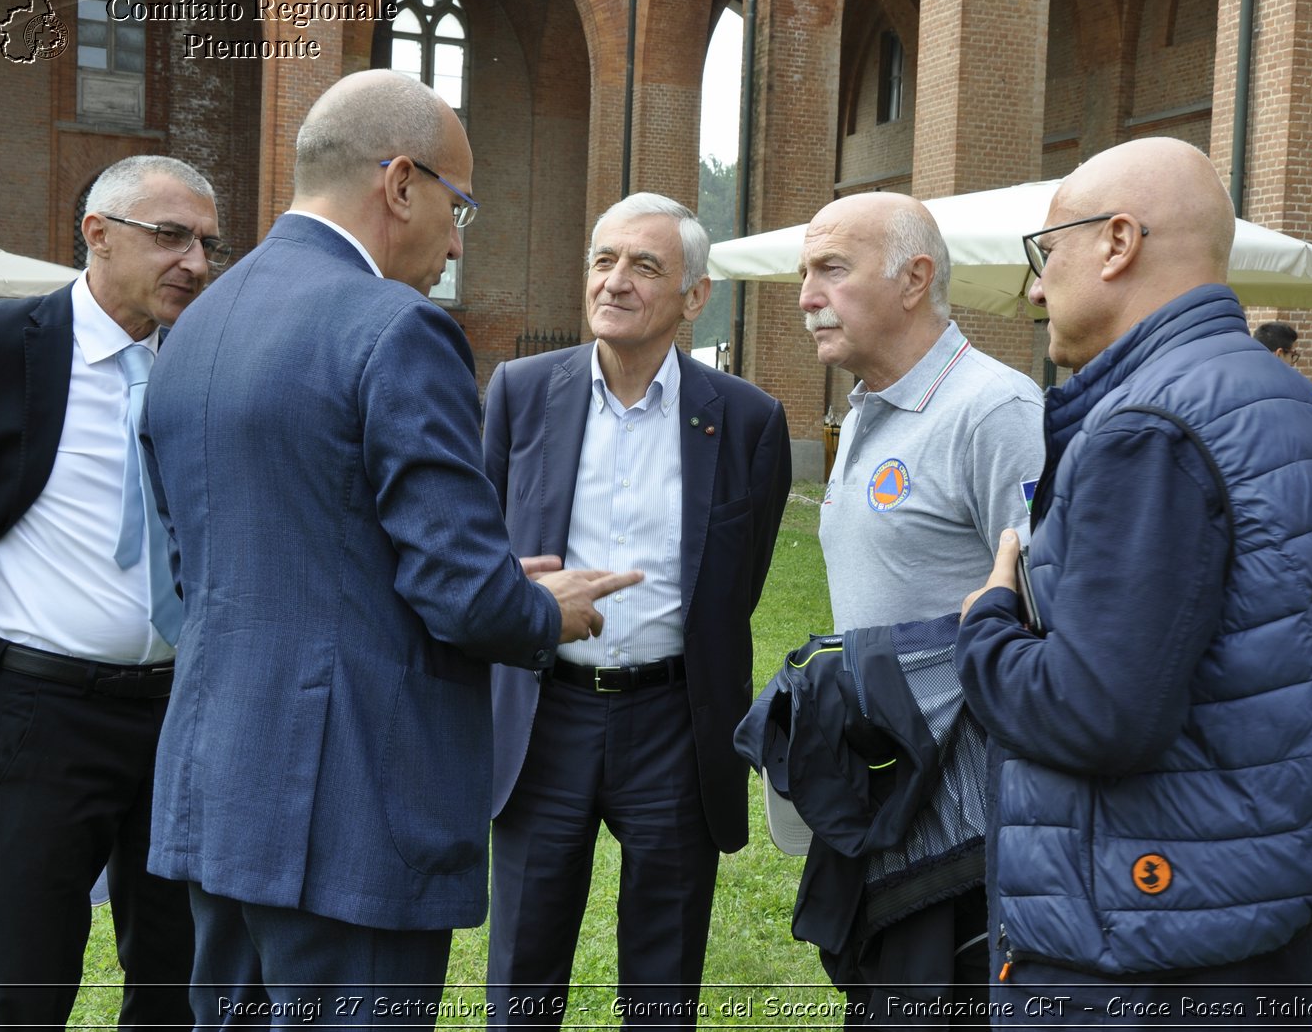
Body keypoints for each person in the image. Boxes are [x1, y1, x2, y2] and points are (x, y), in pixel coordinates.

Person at [141, 70, 639, 1026]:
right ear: (400, 183)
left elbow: (212, 562)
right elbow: (460, 595)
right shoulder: (398, 328)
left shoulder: (196, 324)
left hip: (218, 785)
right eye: (461, 207)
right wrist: (544, 608)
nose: (457, 241)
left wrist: (486, 577)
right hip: (351, 809)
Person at [956, 137, 1312, 1027]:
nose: (1035, 289)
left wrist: (988, 623)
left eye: (1046, 255)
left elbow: (1097, 712)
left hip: (1140, 948)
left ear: (1117, 243)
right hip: (1252, 919)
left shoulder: (1146, 427)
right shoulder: (1297, 405)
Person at [482, 193, 791, 1027]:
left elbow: (740, 578)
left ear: (695, 297)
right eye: (603, 260)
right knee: (522, 969)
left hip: (674, 723)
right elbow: (483, 546)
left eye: (644, 266)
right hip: (545, 713)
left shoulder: (749, 419)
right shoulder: (518, 392)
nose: (614, 281)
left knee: (664, 978)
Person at [0, 154, 222, 1030]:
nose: (195, 260)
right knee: (25, 970)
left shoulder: (204, 367)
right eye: (171, 236)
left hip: (179, 716)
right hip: (41, 713)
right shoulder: (2, 343)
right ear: (97, 235)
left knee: (172, 971)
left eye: (206, 243)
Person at [796, 191, 1044, 1022]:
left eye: (831, 268)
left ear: (915, 279)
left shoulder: (995, 409)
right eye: (804, 272)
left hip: (968, 835)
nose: (804, 295)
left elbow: (1047, 614)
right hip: (885, 810)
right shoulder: (866, 406)